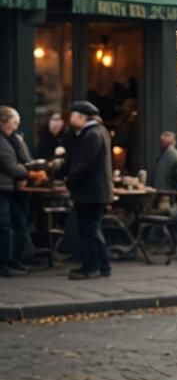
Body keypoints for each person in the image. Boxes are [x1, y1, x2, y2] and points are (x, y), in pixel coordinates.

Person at [62, 101, 114, 280]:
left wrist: (70, 181)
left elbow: (84, 164)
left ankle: (91, 267)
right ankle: (103, 266)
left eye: (73, 115)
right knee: (92, 229)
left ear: (82, 117)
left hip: (90, 192)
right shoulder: (97, 131)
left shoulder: (91, 134)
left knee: (89, 230)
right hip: (96, 191)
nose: (70, 119)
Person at [0, 106, 32, 276]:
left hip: (14, 189)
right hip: (3, 189)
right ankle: (4, 263)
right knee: (4, 226)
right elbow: (12, 167)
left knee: (19, 225)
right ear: (4, 121)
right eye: (14, 122)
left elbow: (26, 161)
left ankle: (14, 259)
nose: (15, 126)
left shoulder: (14, 139)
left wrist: (27, 168)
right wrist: (28, 171)